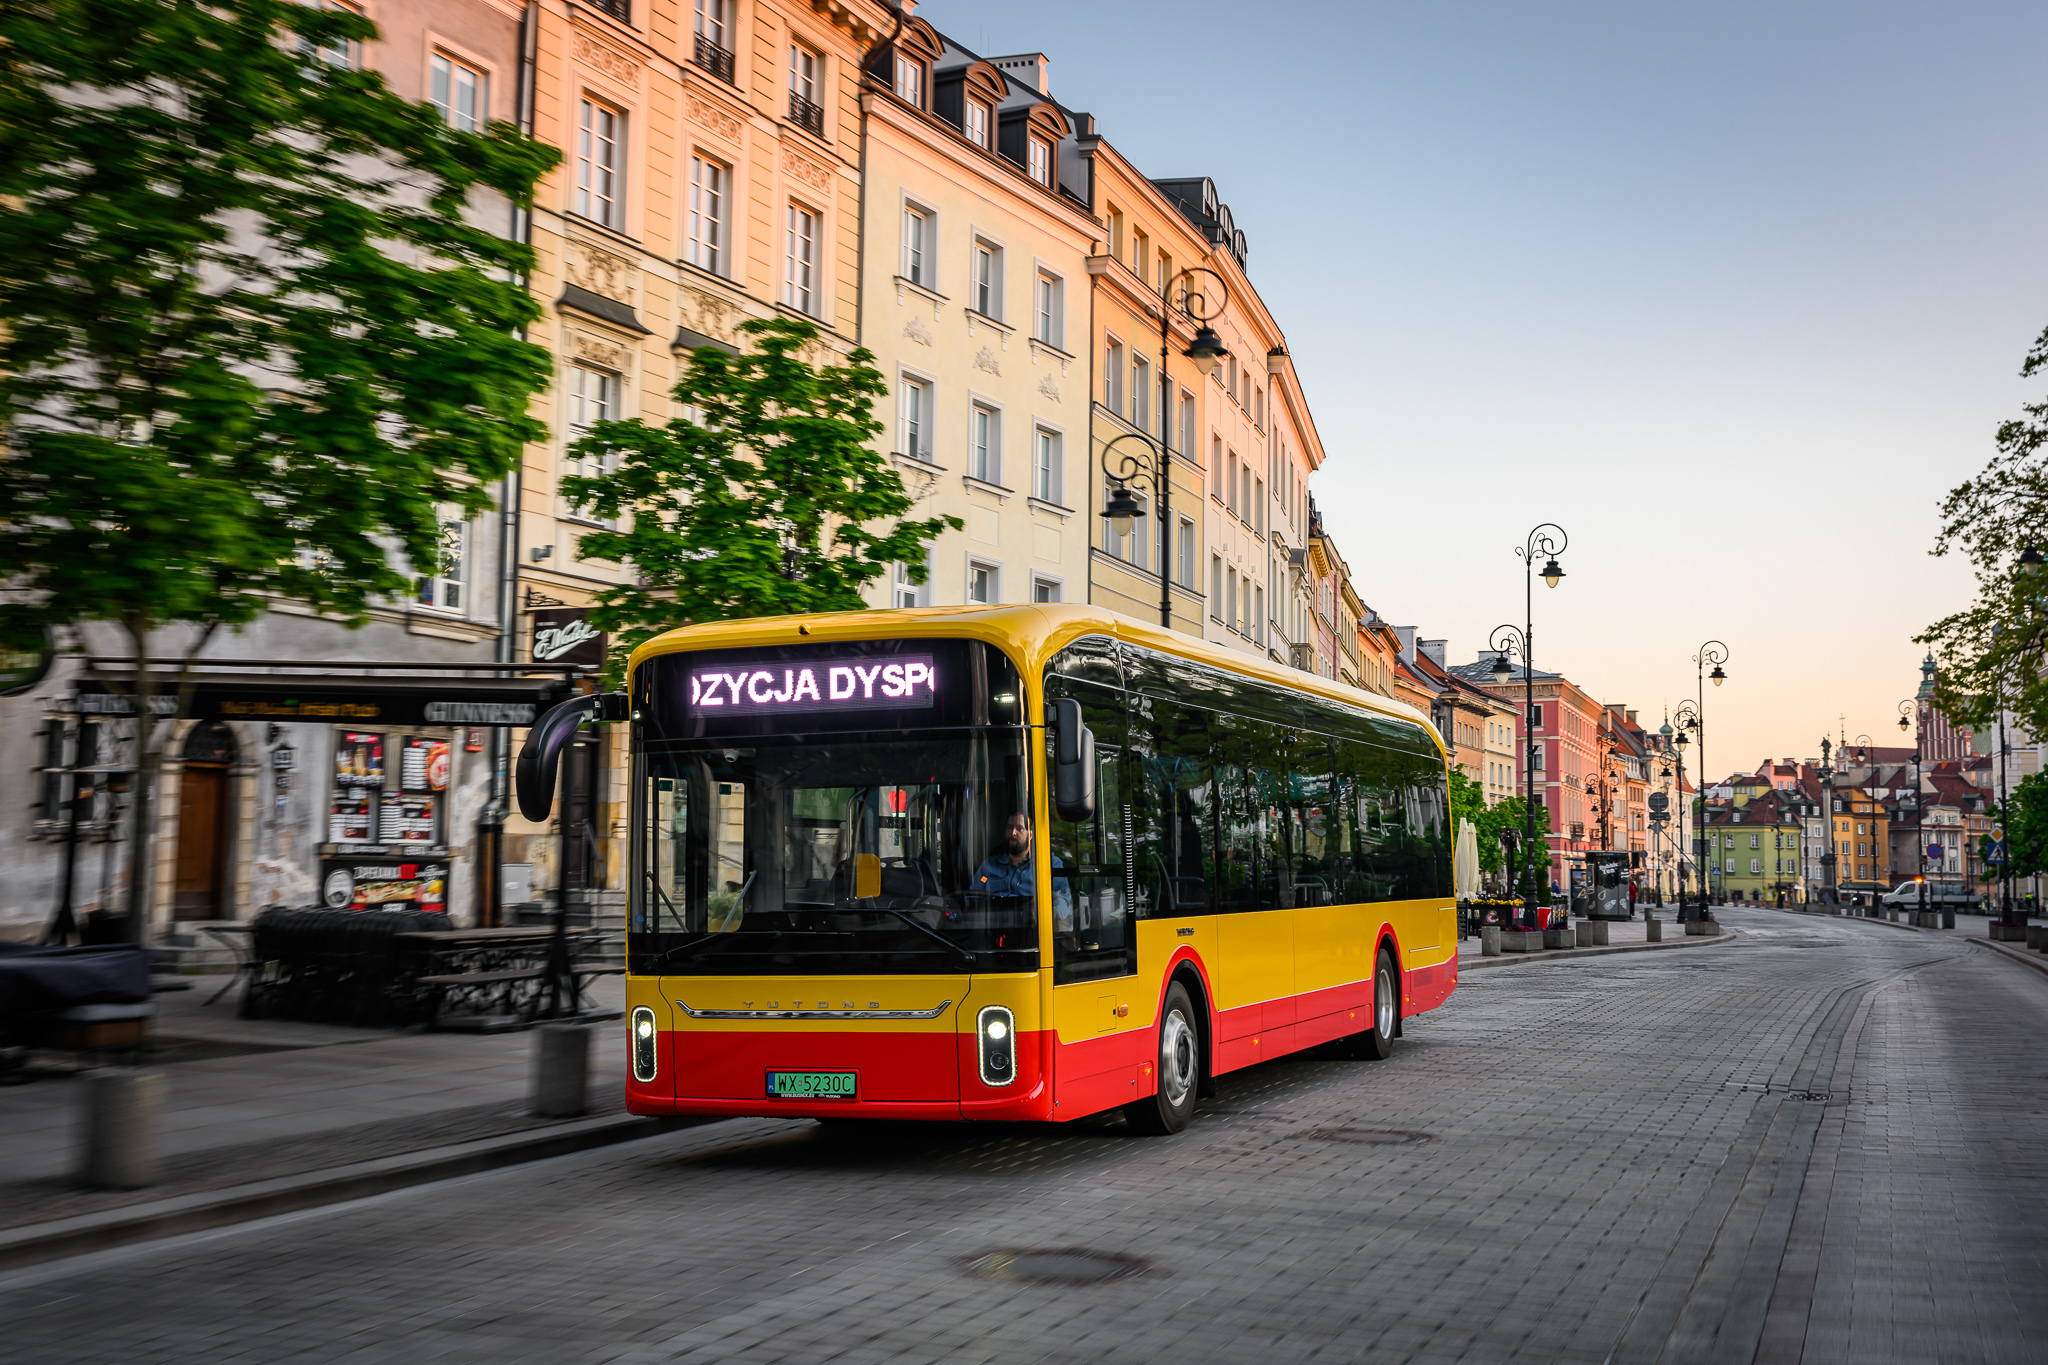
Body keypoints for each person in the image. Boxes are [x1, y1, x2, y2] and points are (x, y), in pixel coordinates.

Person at [975, 812, 1072, 928]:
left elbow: (1061, 901)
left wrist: (1040, 919)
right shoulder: (988, 866)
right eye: (1010, 827)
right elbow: (973, 896)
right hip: (991, 927)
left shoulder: (1048, 864)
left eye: (1019, 828)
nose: (1013, 833)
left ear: (1030, 834)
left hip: (1032, 929)